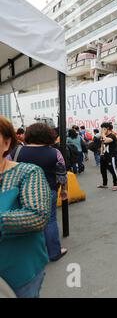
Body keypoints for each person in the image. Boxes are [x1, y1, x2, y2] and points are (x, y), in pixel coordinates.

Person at [0, 116, 51, 298]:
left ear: (7, 143)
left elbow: (38, 216)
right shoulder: (53, 152)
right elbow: (61, 169)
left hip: (19, 270)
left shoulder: (28, 171)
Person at [11, 123, 68, 262]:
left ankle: (31, 253)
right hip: (49, 190)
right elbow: (62, 174)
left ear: (28, 135)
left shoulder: (16, 152)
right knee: (50, 221)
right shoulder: (55, 152)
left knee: (26, 221)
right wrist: (64, 190)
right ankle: (54, 252)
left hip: (22, 192)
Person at [98, 122, 117, 191]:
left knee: (112, 171)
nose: (102, 130)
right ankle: (104, 184)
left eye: (103, 128)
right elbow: (102, 144)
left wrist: (103, 134)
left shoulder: (112, 136)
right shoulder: (104, 136)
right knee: (103, 170)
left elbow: (106, 141)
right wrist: (101, 153)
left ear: (107, 128)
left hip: (110, 156)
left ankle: (115, 185)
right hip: (103, 156)